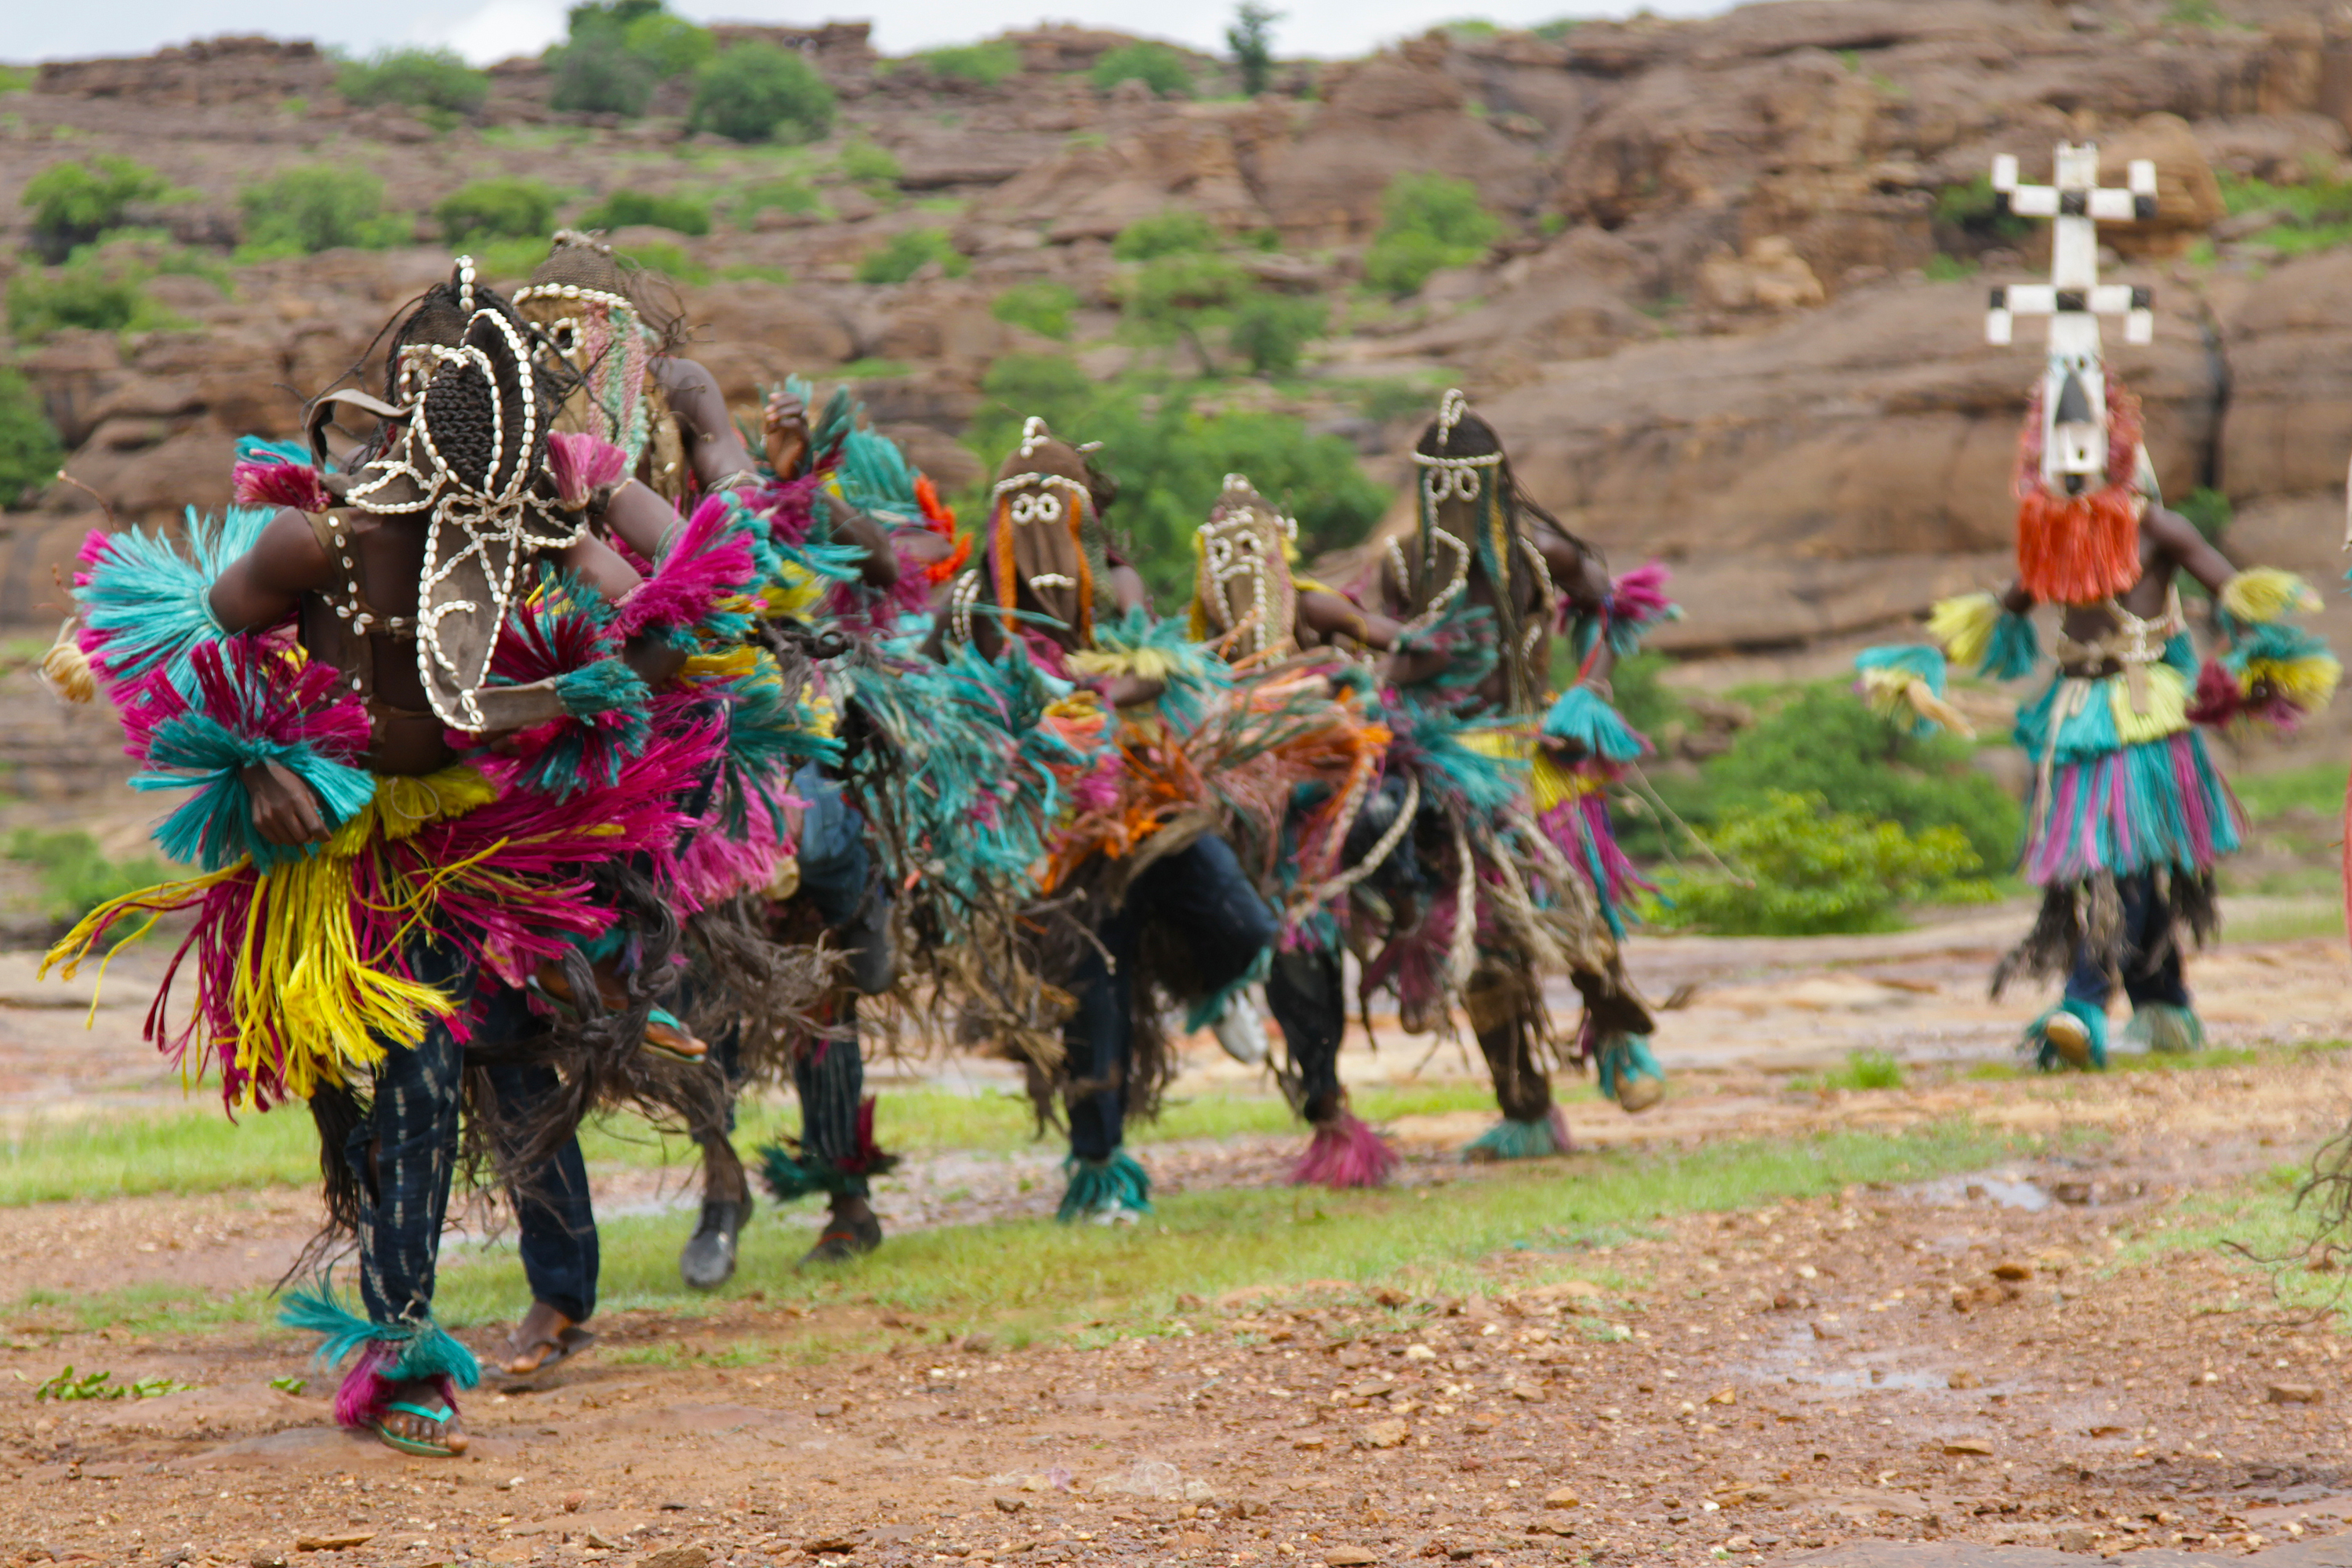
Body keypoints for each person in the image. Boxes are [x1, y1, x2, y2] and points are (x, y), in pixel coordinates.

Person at [46, 261, 691, 1455]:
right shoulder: (315, 543)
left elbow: (681, 603)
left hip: (470, 846)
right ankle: (402, 1300)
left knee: (457, 1075)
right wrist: (245, 761)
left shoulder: (531, 529)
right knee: (387, 1100)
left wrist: (649, 490)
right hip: (340, 859)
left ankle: (408, 1348)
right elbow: (175, 638)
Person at [1373, 389, 1674, 1158]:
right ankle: (1527, 1108)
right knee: (1473, 943)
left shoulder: (1545, 553)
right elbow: (1393, 659)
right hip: (1445, 772)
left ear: (1496, 480)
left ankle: (1618, 1037)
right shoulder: (1406, 564)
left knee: (1575, 910)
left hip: (1537, 759)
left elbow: (1612, 610)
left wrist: (1590, 687)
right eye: (1439, 485)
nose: (1455, 501)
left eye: (1466, 483)